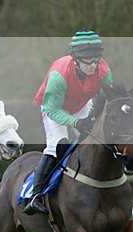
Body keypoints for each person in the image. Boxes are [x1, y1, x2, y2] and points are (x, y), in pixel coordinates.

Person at [24, 29, 113, 215]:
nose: (92, 64)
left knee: (96, 139)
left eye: (95, 59)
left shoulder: (103, 70)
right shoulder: (59, 75)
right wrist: (76, 122)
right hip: (54, 108)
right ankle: (35, 195)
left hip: (81, 103)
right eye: (86, 60)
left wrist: (94, 117)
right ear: (75, 59)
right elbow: (53, 110)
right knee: (58, 145)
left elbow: (107, 99)